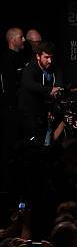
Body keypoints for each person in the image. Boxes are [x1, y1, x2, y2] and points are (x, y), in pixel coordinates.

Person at [1, 27, 26, 189]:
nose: (23, 40)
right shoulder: (5, 60)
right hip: (11, 112)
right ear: (12, 40)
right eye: (21, 37)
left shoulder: (24, 58)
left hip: (24, 111)